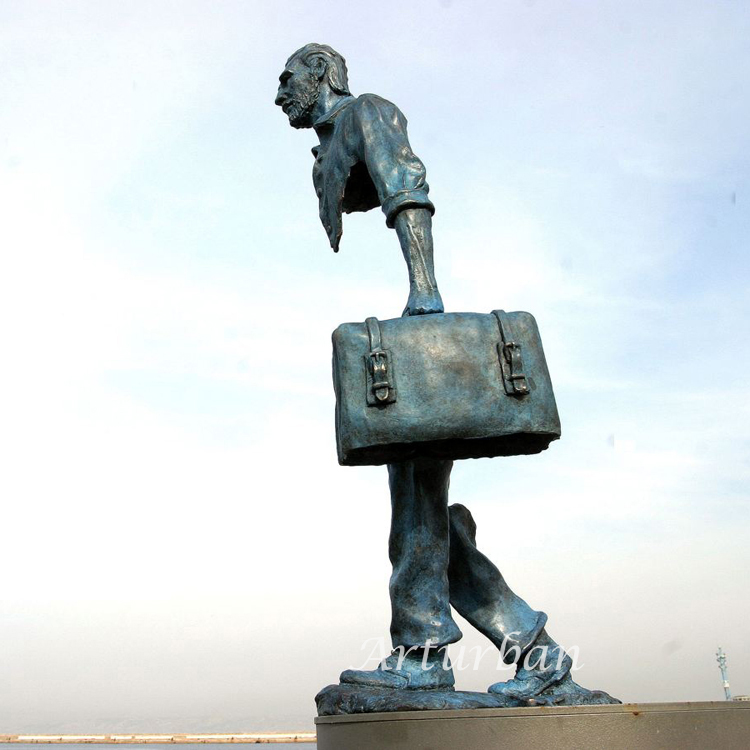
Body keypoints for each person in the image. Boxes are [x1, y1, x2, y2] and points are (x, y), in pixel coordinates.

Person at [275, 43, 614, 705]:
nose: (279, 92)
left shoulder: (367, 112)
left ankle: (423, 654)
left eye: (287, 78)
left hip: (418, 344)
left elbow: (407, 189)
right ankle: (533, 650)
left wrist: (425, 296)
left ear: (321, 74)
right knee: (425, 518)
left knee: (414, 516)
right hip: (411, 341)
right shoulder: (333, 140)